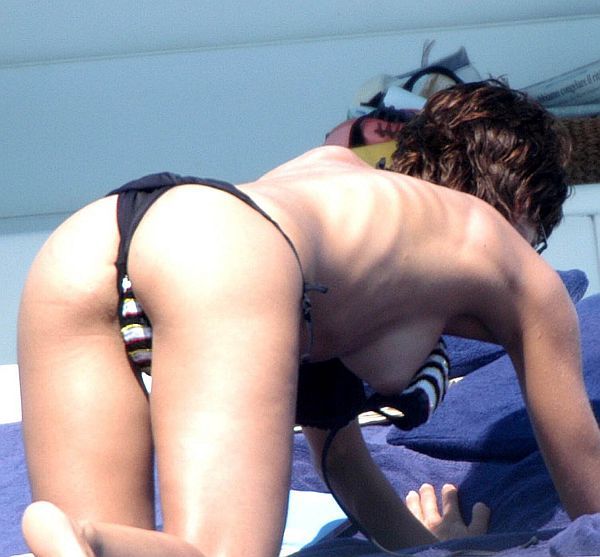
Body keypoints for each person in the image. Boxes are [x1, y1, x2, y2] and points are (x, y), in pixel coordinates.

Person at [18, 81, 600, 557]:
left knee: (98, 541)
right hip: (221, 250)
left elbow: (340, 459)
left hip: (88, 241)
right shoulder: (508, 256)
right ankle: (91, 539)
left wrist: (433, 549)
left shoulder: (341, 193)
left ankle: (88, 535)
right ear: (525, 205)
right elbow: (589, 496)